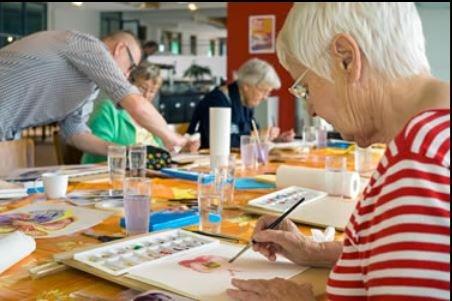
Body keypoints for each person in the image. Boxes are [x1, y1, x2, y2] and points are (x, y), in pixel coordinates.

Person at [227, 3, 450, 301]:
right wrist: (314, 251)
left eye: (306, 88)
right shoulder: (432, 137)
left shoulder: (420, 164)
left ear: (346, 58)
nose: (312, 109)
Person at [0, 30, 187, 155]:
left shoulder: (88, 87)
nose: (127, 75)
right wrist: (171, 137)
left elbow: (76, 133)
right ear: (119, 49)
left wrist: (124, 152)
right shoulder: (90, 46)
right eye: (130, 67)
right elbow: (136, 104)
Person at [187, 58, 295, 149]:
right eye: (263, 91)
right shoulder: (216, 101)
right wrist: (255, 136)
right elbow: (219, 143)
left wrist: (275, 139)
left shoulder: (246, 102)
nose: (265, 97)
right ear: (247, 86)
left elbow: (253, 134)